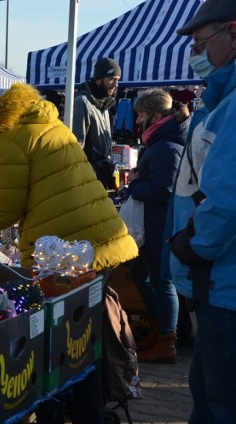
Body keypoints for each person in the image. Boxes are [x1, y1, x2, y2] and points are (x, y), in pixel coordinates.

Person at [0, 77, 138, 424]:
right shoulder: (40, 121)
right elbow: (27, 187)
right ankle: (90, 413)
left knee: (62, 345)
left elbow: (5, 211)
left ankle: (69, 413)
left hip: (69, 251)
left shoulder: (4, 138)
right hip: (96, 239)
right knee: (84, 341)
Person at [164, 0, 236, 422]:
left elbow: (226, 197)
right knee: (209, 395)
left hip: (224, 285)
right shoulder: (219, 101)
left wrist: (195, 248)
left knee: (219, 402)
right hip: (216, 283)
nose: (195, 56)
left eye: (200, 43)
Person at [125, 89, 188, 363]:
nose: (137, 119)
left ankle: (167, 341)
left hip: (160, 226)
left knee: (162, 282)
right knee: (142, 276)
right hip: (153, 225)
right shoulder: (161, 141)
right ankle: (157, 330)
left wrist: (136, 183)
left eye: (141, 114)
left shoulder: (165, 147)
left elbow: (163, 191)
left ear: (156, 115)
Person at [72, 57, 121, 190]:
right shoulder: (82, 102)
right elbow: (76, 145)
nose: (116, 84)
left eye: (118, 80)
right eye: (112, 79)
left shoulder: (104, 103)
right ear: (99, 78)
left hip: (101, 174)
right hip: (87, 177)